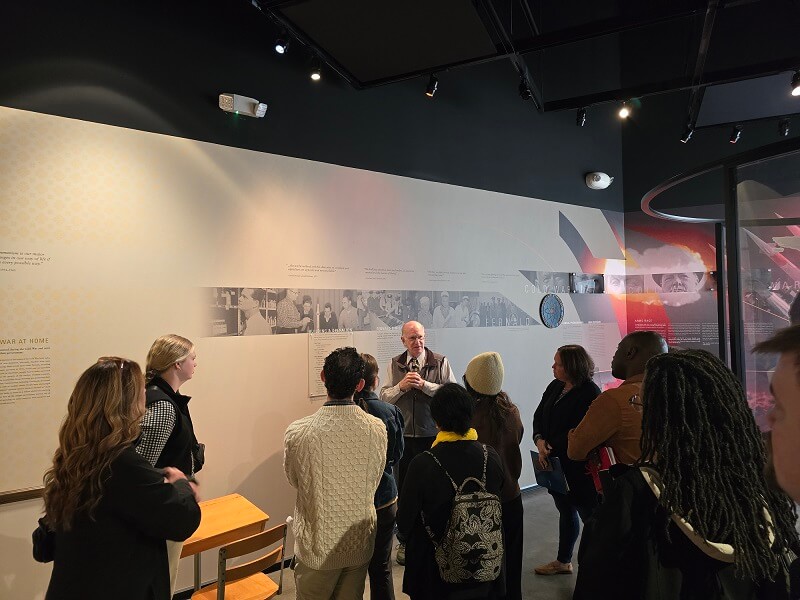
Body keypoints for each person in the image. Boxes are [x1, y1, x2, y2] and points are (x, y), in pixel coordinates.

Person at [574, 350, 799, 600]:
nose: (640, 411)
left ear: (662, 417)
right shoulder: (756, 483)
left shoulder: (635, 493)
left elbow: (596, 581)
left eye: (641, 403)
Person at [42, 357, 201, 600]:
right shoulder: (121, 463)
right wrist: (182, 485)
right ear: (127, 403)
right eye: (140, 391)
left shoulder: (74, 456)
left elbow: (43, 542)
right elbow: (181, 520)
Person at [284, 347, 387, 600]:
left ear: (322, 377)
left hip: (318, 545)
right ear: (360, 384)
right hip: (359, 539)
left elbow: (294, 479)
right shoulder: (377, 429)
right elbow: (374, 479)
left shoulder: (299, 432)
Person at [396, 383, 505, 600]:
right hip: (484, 565)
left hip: (434, 570)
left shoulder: (423, 464)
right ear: (470, 415)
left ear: (436, 421)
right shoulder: (490, 457)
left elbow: (405, 519)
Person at [380, 320, 457, 564]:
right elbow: (383, 396)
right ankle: (405, 541)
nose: (418, 342)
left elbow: (452, 393)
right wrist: (401, 387)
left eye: (421, 337)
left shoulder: (440, 361)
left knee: (435, 488)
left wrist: (425, 386)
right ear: (403, 340)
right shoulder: (395, 364)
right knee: (405, 490)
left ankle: (438, 538)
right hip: (403, 439)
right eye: (412, 338)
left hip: (434, 436)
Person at [136, 334, 204, 594]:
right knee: (162, 582)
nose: (196, 363)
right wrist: (179, 483)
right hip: (162, 510)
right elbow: (143, 467)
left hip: (167, 505)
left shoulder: (163, 397)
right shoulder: (163, 406)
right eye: (192, 358)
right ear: (177, 364)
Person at [531, 345, 601, 576]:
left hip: (577, 466)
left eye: (558, 363)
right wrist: (540, 439)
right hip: (555, 463)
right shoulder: (556, 386)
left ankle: (595, 568)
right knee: (565, 510)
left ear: (571, 366)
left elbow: (581, 429)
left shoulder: (590, 392)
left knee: (589, 516)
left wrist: (550, 447)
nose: (553, 367)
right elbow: (539, 415)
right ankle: (563, 561)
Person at [463, 352, 524, 600]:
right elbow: (517, 440)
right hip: (511, 497)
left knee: (485, 571)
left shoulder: (469, 418)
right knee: (512, 568)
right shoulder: (511, 411)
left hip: (481, 507)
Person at [567, 330, 668, 466]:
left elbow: (575, 450)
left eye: (618, 349)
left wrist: (573, 435)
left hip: (635, 483)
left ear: (630, 352)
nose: (614, 356)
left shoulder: (613, 400)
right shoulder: (671, 394)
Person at [355, 353, 405, 600]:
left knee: (350, 570)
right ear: (375, 381)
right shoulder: (390, 412)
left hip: (353, 501)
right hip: (384, 497)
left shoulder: (345, 413)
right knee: (381, 568)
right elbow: (396, 455)